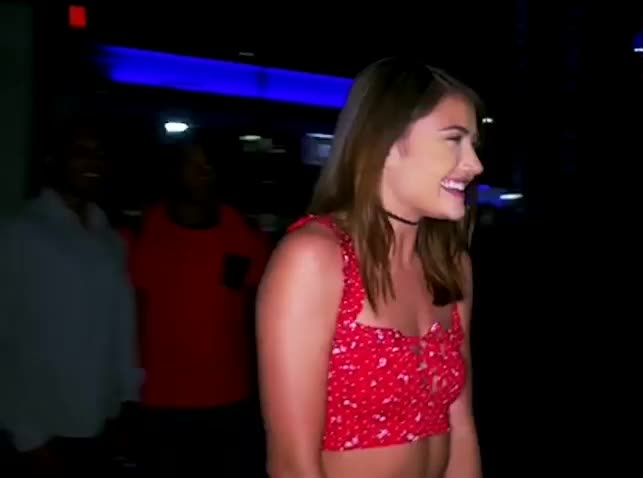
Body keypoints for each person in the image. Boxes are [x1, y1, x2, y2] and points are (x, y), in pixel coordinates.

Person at [257, 58, 485, 478]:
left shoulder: (451, 265)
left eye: (473, 143)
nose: (475, 164)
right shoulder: (315, 260)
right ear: (388, 142)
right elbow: (292, 464)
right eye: (454, 140)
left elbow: (462, 426)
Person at [0, 123, 140, 476]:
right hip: (41, 429)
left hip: (101, 422)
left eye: (99, 154)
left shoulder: (110, 239)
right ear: (54, 160)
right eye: (81, 152)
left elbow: (121, 327)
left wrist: (127, 399)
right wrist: (25, 435)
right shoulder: (20, 233)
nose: (92, 161)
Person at [128, 138, 269, 476]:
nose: (203, 172)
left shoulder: (243, 234)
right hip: (161, 401)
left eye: (208, 165)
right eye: (192, 164)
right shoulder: (145, 233)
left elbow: (259, 315)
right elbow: (130, 315)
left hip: (231, 401)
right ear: (174, 171)